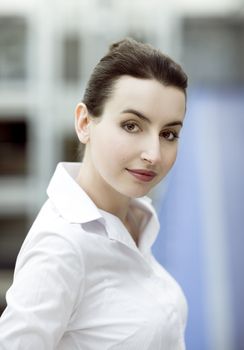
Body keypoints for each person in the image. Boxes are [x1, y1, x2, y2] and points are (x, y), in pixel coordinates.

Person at [0, 38, 188, 349]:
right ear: (85, 123)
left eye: (169, 134)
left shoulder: (136, 220)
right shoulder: (62, 247)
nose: (154, 154)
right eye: (131, 126)